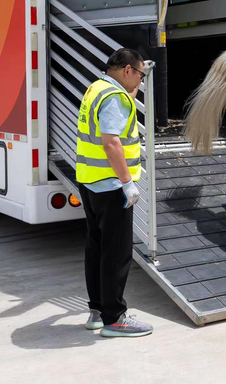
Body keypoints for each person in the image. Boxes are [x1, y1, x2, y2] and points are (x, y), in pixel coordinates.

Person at [75, 48, 153, 337]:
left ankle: (97, 310)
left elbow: (118, 109)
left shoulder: (97, 88)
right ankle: (115, 318)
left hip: (90, 181)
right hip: (111, 185)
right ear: (128, 71)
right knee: (117, 251)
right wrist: (127, 183)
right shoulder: (114, 98)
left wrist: (141, 74)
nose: (141, 82)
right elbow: (111, 143)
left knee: (96, 246)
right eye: (140, 75)